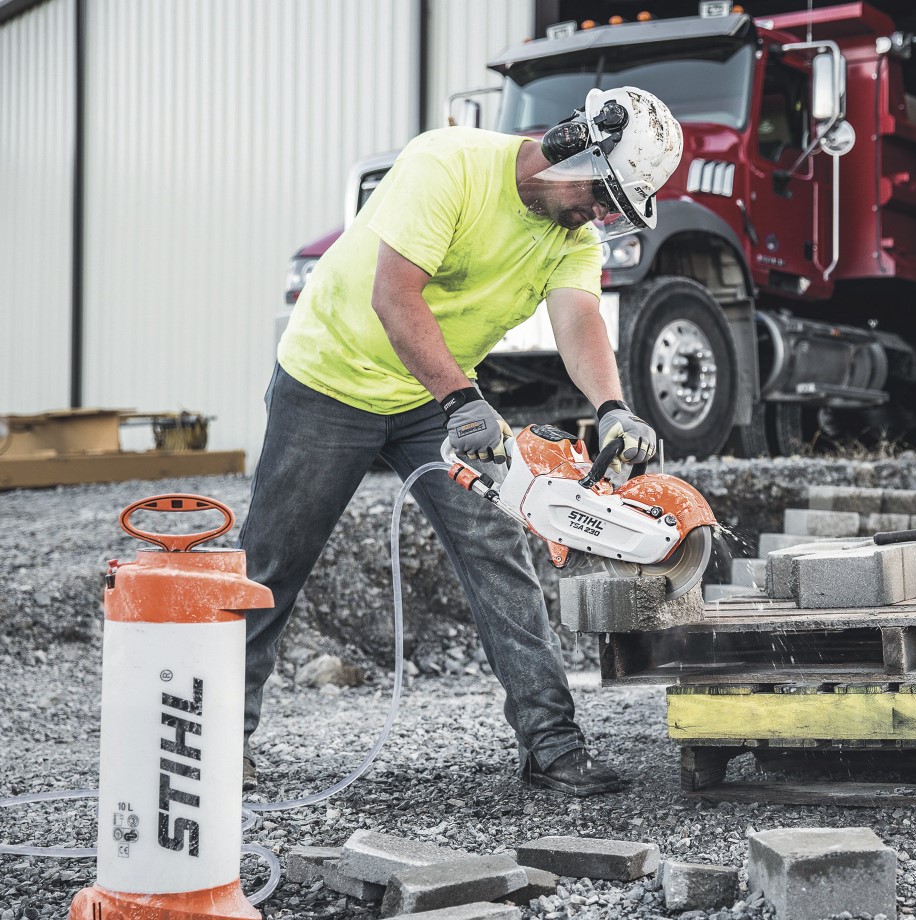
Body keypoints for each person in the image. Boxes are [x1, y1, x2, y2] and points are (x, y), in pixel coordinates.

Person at [240, 85, 684, 797]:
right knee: (270, 564)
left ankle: (552, 747)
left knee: (498, 554)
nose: (601, 217)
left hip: (435, 398)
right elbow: (395, 296)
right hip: (329, 382)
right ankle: (219, 747)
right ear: (575, 146)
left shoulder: (567, 235)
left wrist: (612, 408)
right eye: (604, 198)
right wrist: (462, 400)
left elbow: (579, 322)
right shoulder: (445, 164)